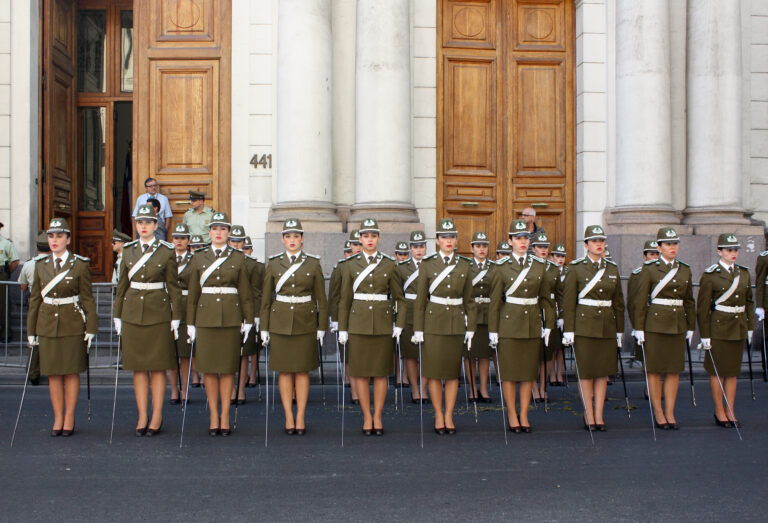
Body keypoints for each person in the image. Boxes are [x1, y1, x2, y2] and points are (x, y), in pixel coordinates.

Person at [114, 204, 182, 437]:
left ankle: (156, 415)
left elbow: (173, 287)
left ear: (156, 225)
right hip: (133, 312)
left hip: (158, 313)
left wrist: (176, 317)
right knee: (139, 368)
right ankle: (142, 414)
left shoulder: (166, 251)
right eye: (139, 223)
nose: (143, 226)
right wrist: (117, 314)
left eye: (147, 222)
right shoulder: (129, 250)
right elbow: (121, 286)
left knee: (158, 367)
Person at [27, 218, 98, 436]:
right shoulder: (40, 265)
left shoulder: (79, 265)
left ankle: (69, 416)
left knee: (71, 372)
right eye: (51, 236)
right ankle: (57, 416)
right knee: (53, 374)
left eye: (59, 236)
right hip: (47, 324)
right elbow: (35, 301)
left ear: (68, 239)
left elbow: (87, 298)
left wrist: (92, 327)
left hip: (72, 323)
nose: (54, 240)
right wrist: (31, 331)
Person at [186, 212, 253, 436]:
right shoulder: (199, 257)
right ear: (210, 232)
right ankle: (213, 414)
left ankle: (225, 415)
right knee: (208, 370)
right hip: (205, 319)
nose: (218, 232)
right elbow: (193, 294)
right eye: (215, 228)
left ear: (228, 232)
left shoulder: (238, 258)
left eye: (223, 229)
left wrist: (248, 320)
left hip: (230, 319)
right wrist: (190, 322)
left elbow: (245, 293)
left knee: (226, 370)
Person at [338, 218, 405, 436]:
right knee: (361, 374)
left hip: (383, 325)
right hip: (358, 324)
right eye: (366, 236)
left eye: (373, 236)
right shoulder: (350, 265)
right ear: (359, 239)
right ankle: (367, 416)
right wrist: (343, 328)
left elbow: (399, 298)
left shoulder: (389, 264)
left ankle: (378, 416)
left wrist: (399, 324)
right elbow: (345, 300)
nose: (369, 240)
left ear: (379, 238)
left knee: (381, 373)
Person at [260, 218, 328, 435]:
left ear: (302, 239)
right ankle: (289, 416)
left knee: (302, 371)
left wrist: (321, 327)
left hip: (305, 322)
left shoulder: (312, 263)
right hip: (279, 323)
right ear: (282, 239)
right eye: (288, 236)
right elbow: (266, 299)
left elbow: (321, 299)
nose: (292, 240)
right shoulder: (273, 263)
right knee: (284, 371)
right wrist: (264, 327)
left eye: (296, 236)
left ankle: (301, 416)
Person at [412, 219, 477, 435]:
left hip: (456, 324)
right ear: (437, 240)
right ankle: (438, 414)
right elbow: (420, 300)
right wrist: (418, 330)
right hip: (433, 324)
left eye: (452, 237)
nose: (448, 241)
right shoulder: (428, 264)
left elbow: (469, 300)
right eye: (444, 237)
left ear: (456, 240)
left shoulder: (464, 265)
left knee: (451, 373)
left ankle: (449, 414)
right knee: (433, 373)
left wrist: (471, 328)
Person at [488, 221, 554, 432]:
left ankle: (524, 413)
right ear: (510, 241)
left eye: (525, 238)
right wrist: (493, 330)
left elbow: (545, 299)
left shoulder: (539, 266)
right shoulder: (500, 267)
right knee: (509, 373)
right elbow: (495, 302)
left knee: (527, 373)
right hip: (508, 325)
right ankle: (511, 413)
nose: (522, 242)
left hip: (531, 325)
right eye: (518, 238)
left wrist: (549, 324)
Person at [562, 225, 625, 431]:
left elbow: (618, 303)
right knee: (587, 372)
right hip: (584, 326)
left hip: (607, 326)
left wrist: (619, 331)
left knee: (602, 373)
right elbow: (569, 302)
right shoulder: (576, 268)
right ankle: (589, 414)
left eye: (602, 241)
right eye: (595, 241)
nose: (599, 244)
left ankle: (599, 414)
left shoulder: (612, 268)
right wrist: (569, 330)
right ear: (586, 244)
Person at [632, 228, 695, 430]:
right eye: (668, 244)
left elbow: (689, 301)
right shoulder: (649, 269)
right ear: (659, 247)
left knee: (673, 370)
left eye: (675, 243)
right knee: (654, 370)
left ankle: (670, 411)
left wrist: (690, 326)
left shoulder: (684, 269)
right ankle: (658, 412)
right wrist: (638, 328)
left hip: (677, 324)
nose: (672, 247)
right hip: (655, 325)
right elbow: (640, 301)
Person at [697, 233, 754, 429]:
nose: (733, 253)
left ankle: (730, 409)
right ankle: (719, 409)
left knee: (732, 372)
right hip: (719, 327)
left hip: (737, 326)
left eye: (735, 249)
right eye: (729, 250)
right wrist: (704, 335)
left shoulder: (744, 273)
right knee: (718, 371)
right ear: (719, 251)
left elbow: (748, 301)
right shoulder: (711, 274)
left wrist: (750, 327)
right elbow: (703, 308)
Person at [228, 225, 263, 404]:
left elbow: (257, 292)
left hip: (246, 313)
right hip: (227, 312)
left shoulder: (254, 265)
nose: (235, 245)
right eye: (232, 241)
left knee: (243, 353)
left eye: (239, 241)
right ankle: (230, 388)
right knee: (229, 354)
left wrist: (255, 315)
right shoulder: (223, 261)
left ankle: (240, 389)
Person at [394, 230, 429, 403]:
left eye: (421, 246)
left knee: (428, 354)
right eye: (415, 247)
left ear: (426, 247)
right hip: (408, 312)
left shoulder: (431, 265)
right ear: (410, 248)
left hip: (428, 312)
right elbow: (397, 294)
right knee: (411, 354)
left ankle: (424, 388)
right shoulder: (401, 268)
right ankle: (415, 389)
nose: (418, 250)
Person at [329, 230, 363, 405]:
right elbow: (335, 296)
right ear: (350, 246)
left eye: (359, 244)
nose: (358, 248)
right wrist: (335, 319)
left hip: (364, 315)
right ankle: (353, 388)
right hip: (346, 314)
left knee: (360, 353)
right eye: (355, 245)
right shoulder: (341, 267)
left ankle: (359, 387)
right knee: (348, 353)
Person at [464, 231, 494, 402]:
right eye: (478, 246)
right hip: (471, 313)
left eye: (484, 246)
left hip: (487, 315)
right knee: (470, 355)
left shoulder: (494, 267)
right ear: (472, 248)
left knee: (484, 355)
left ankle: (483, 387)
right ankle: (472, 388)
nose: (481, 249)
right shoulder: (466, 267)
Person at [19, 232, 50, 386]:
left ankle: (33, 371)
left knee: (35, 337)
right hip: (53, 303)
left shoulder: (29, 264)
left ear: (37, 247)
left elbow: (23, 286)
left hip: (34, 302)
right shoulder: (54, 262)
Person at [167, 224, 193, 405]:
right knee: (170, 353)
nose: (179, 241)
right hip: (168, 306)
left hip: (186, 306)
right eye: (176, 238)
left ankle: (185, 389)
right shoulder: (166, 258)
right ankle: (173, 390)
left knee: (184, 354)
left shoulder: (195, 260)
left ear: (188, 241)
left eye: (183, 238)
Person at [531, 232, 557, 402]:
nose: (543, 250)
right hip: (533, 311)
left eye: (546, 247)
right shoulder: (531, 266)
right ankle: (533, 386)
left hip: (549, 311)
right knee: (533, 353)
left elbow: (560, 292)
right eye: (540, 247)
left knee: (547, 354)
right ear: (533, 249)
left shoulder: (554, 268)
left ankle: (543, 386)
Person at [242, 236, 263, 388]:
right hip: (237, 307)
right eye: (244, 248)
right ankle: (242, 376)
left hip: (252, 307)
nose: (245, 251)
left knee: (254, 345)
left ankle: (253, 373)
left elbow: (258, 292)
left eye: (247, 248)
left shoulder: (257, 266)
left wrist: (257, 314)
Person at [547, 242, 568, 386]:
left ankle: (560, 374)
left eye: (562, 256)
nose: (560, 259)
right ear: (552, 257)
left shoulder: (569, 272)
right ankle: (551, 374)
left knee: (561, 347)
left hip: (564, 309)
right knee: (552, 346)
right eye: (557, 256)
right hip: (551, 309)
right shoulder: (548, 270)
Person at [0, 221, 20, 338]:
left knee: (3, 305)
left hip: (1, 274)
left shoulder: (6, 243)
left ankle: (5, 334)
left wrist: (6, 273)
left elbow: (15, 261)